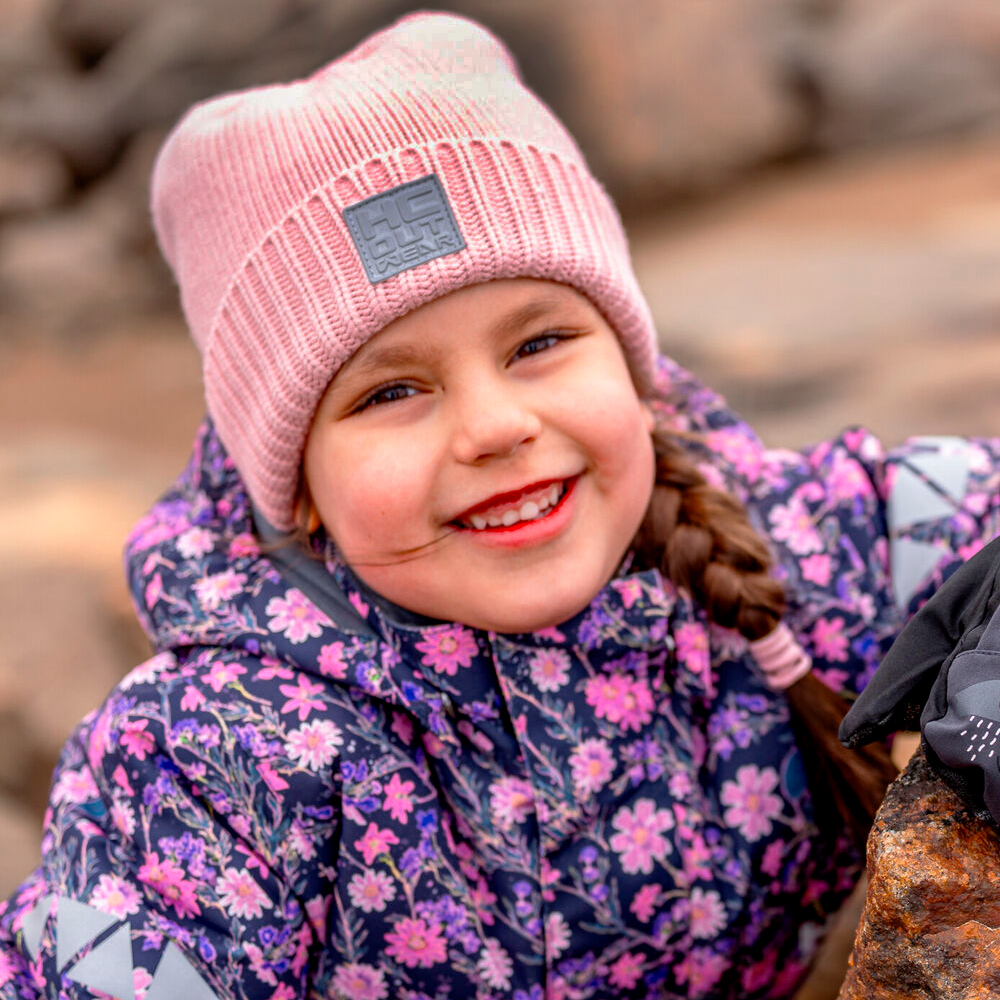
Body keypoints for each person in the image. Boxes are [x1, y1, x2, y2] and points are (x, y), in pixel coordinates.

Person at [0, 12, 997, 1000]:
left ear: (634, 369)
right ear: (297, 488)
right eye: (392, 391)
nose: (493, 426)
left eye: (538, 343)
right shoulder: (209, 759)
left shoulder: (799, 545)